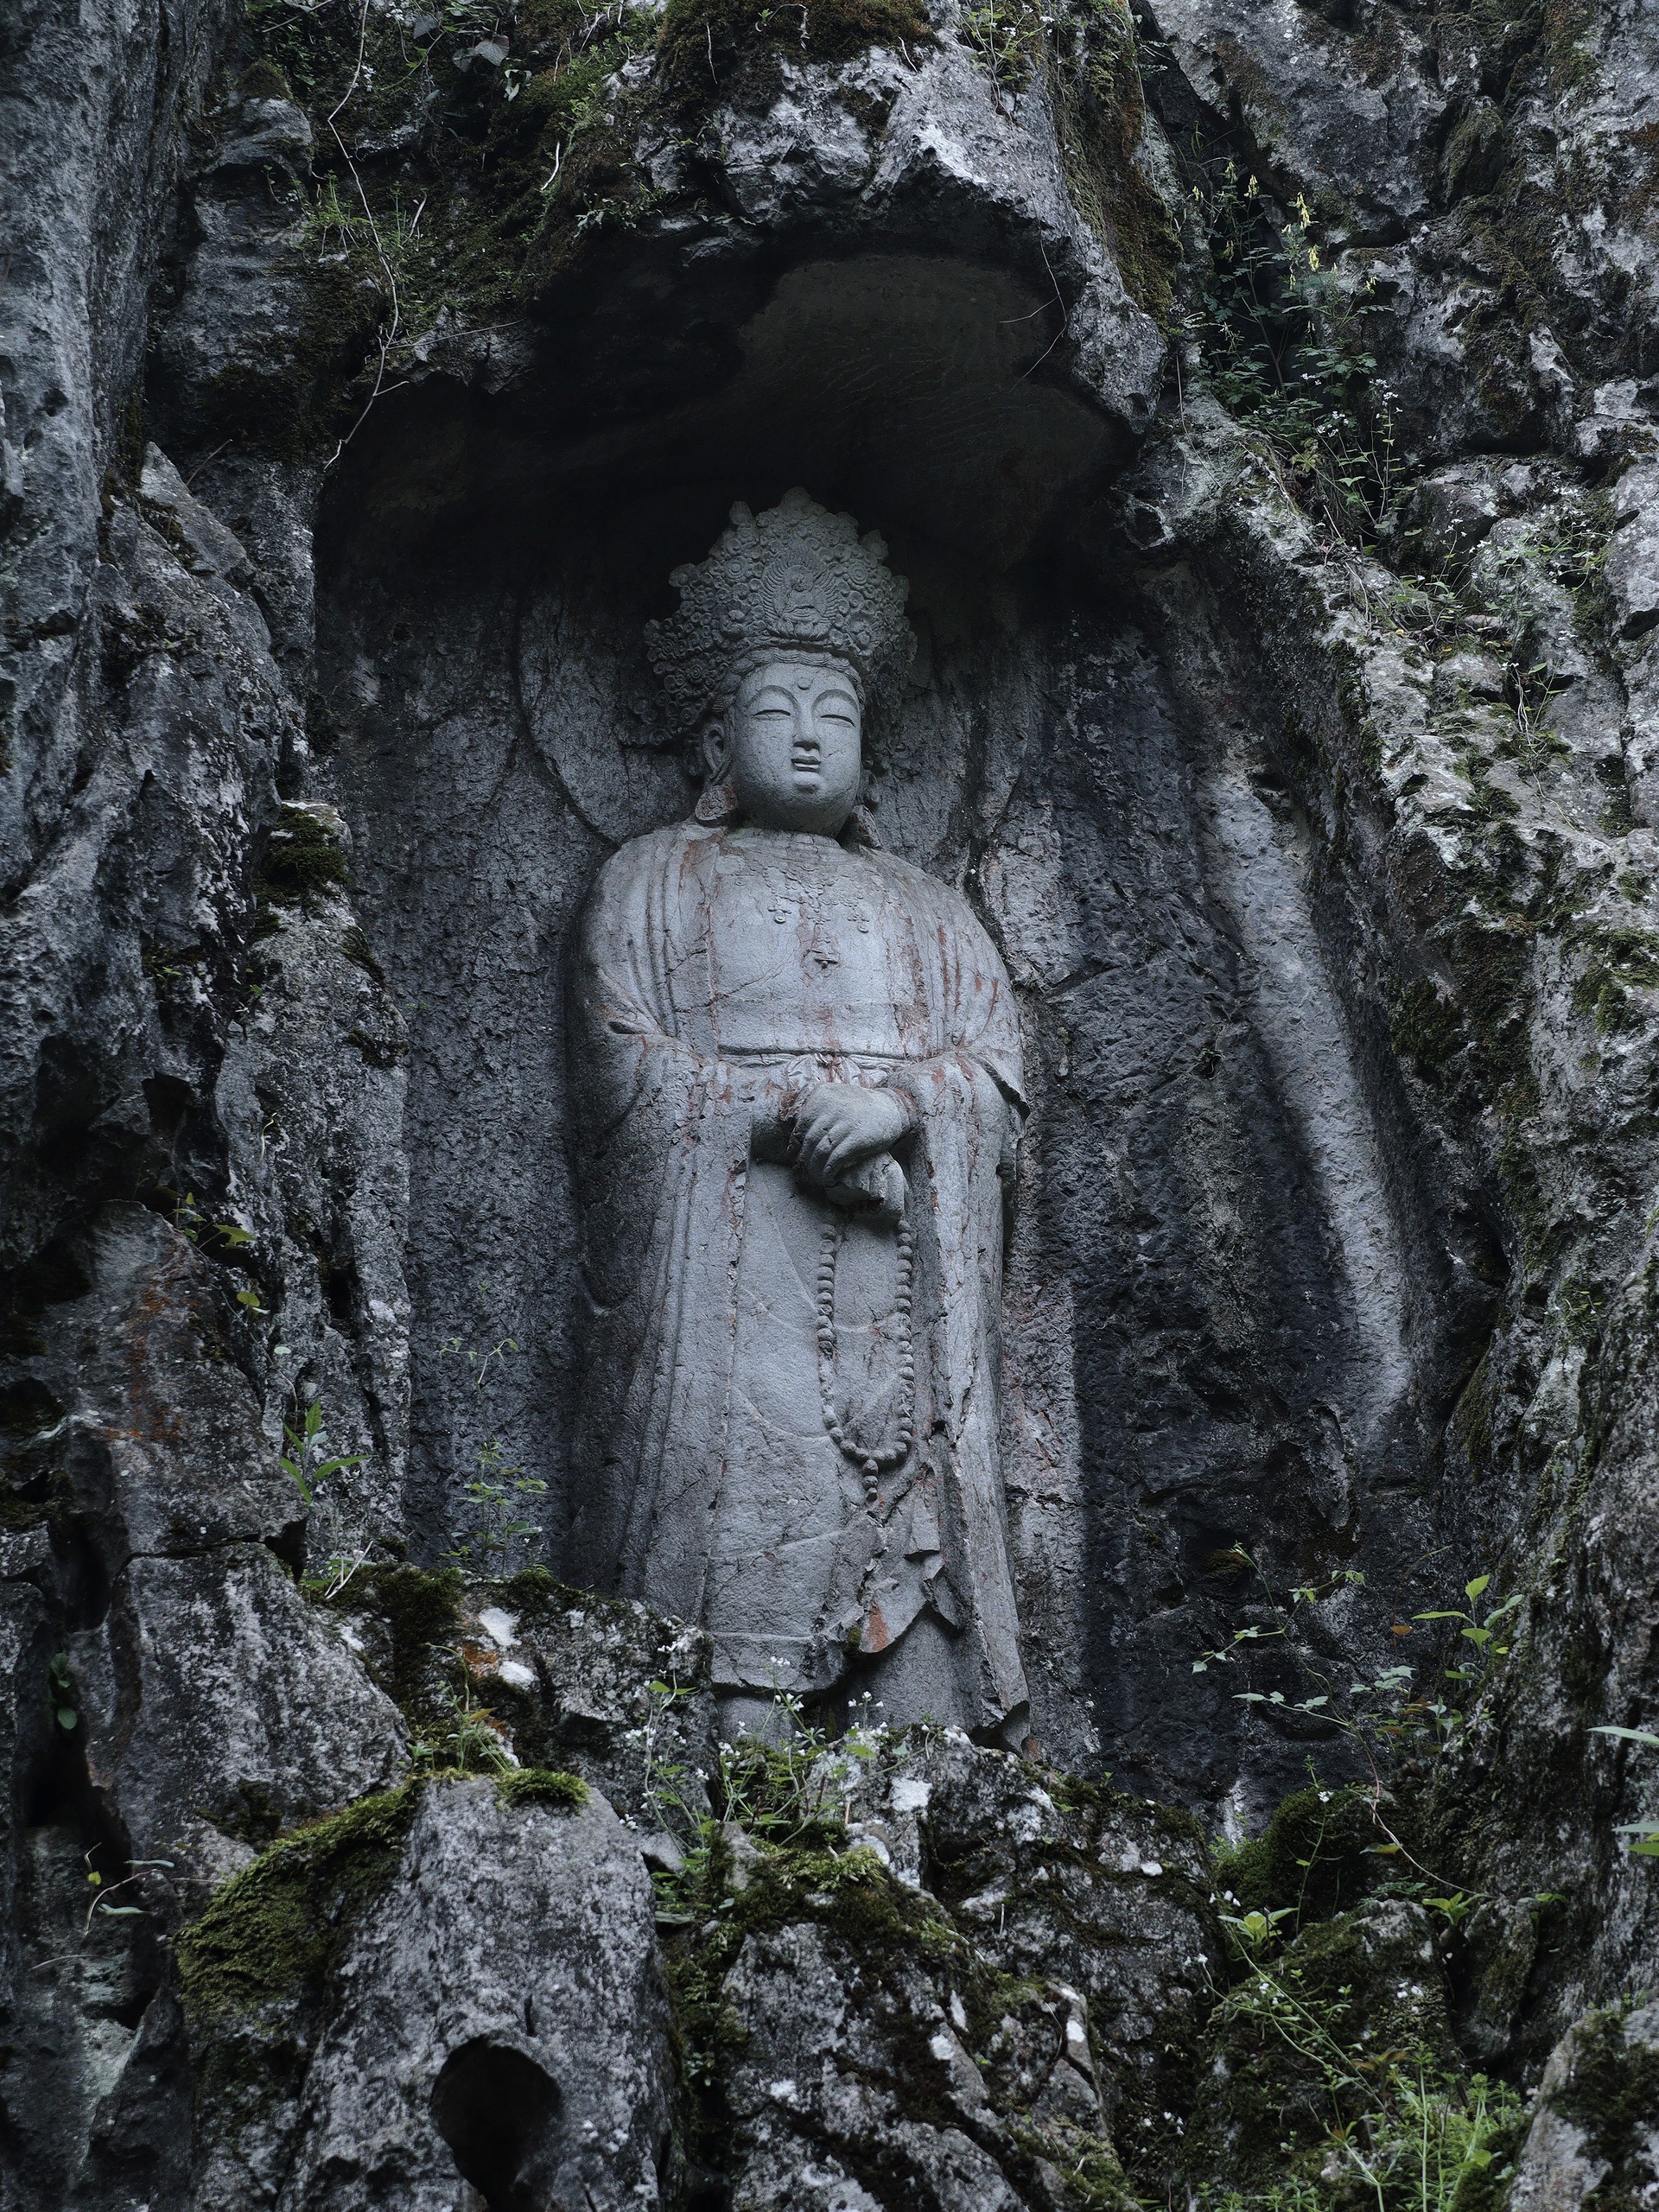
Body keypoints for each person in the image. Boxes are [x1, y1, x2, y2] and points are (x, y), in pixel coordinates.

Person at [566, 490, 1029, 1745]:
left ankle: (922, 1792)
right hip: (725, 1287)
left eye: (839, 713)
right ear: (719, 738)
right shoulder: (651, 883)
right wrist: (773, 1118)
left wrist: (898, 1106)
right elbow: (621, 1070)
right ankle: (708, 1776)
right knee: (739, 1522)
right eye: (779, 712)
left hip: (898, 1271)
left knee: (909, 1518)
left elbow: (994, 1071)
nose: (812, 738)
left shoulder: (931, 911)